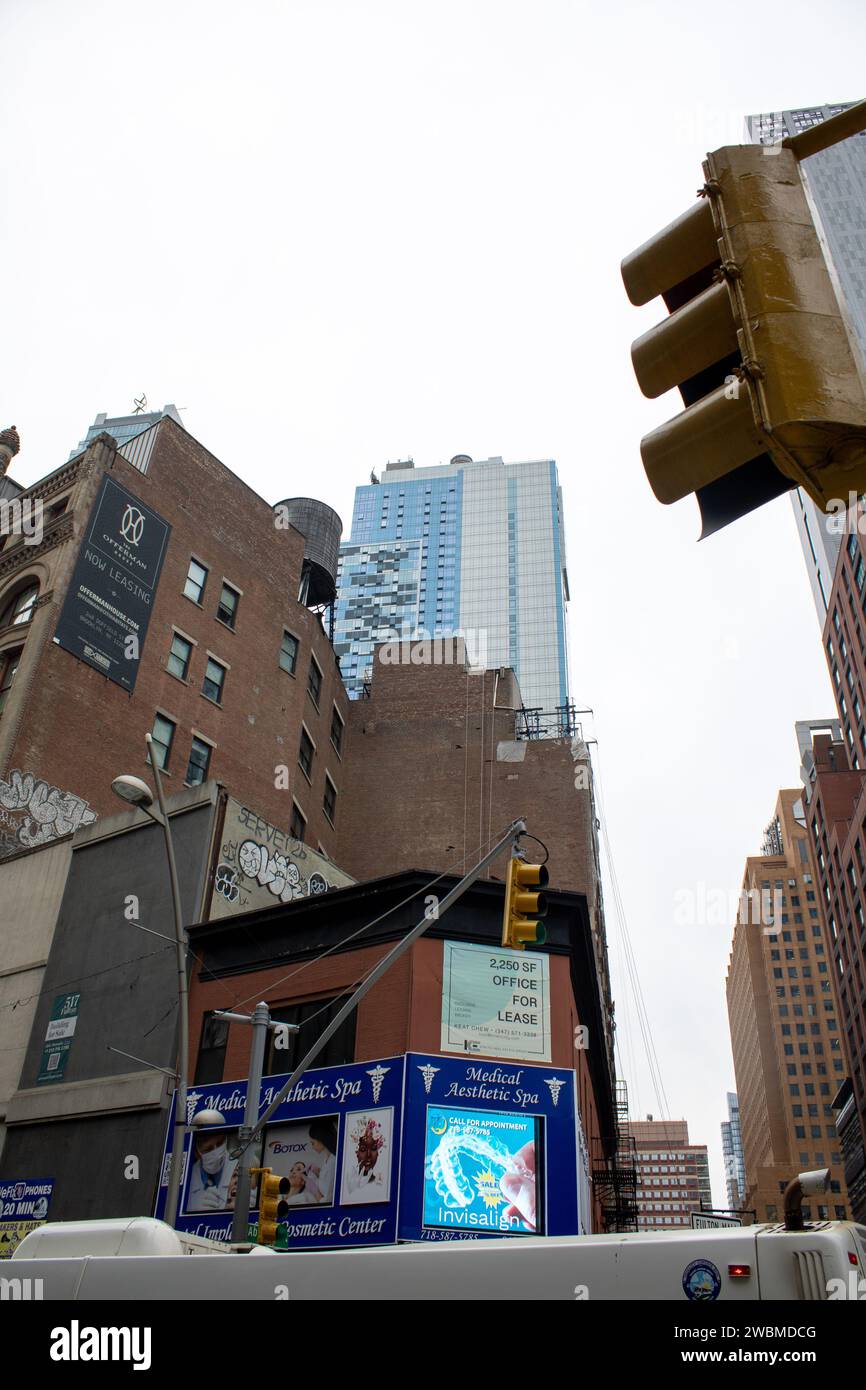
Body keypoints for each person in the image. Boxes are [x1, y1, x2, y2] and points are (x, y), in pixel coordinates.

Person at [185, 1130, 238, 1213]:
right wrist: (191, 1208)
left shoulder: (241, 1170)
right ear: (197, 1153)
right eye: (208, 1149)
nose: (216, 1153)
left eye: (220, 1143)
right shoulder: (186, 1177)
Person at [303, 1119, 338, 1204]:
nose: (312, 1147)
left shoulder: (333, 1162)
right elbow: (327, 1181)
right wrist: (318, 1172)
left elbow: (327, 1202)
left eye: (313, 1143)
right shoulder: (327, 1158)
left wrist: (313, 1189)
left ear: (322, 1140)